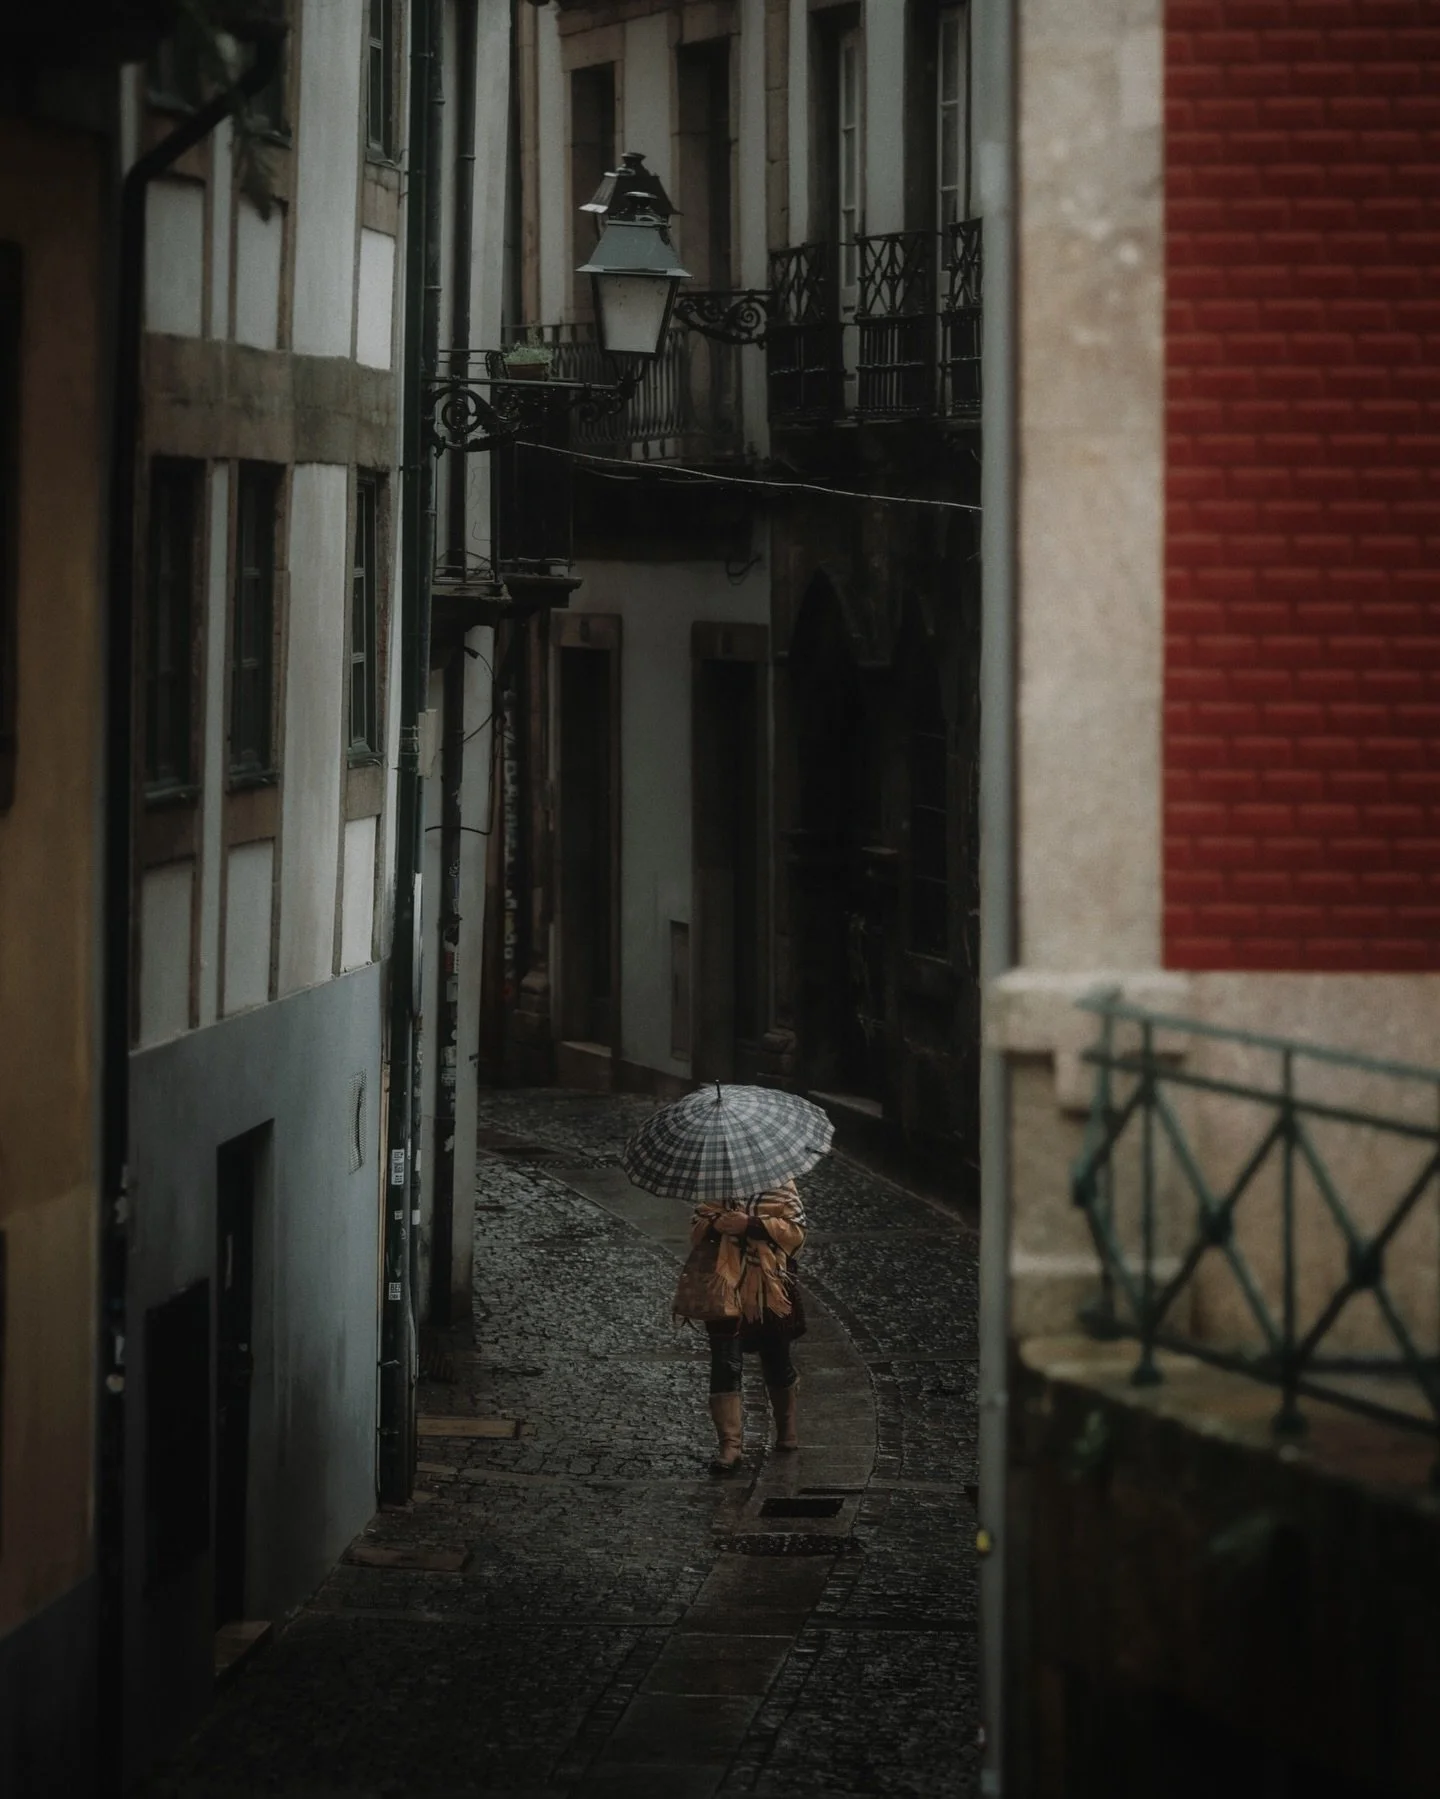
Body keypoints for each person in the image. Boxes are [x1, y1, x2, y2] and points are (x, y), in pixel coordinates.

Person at [672, 1177, 807, 1476]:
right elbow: (698, 1226)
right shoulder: (714, 1183)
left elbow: (796, 1232)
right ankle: (730, 1446)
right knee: (725, 1362)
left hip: (770, 1288)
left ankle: (787, 1430)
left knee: (776, 1359)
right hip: (723, 1284)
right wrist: (715, 1224)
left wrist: (751, 1225)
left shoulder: (781, 1183)